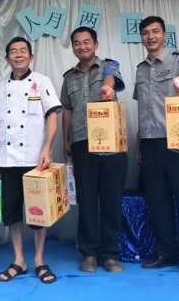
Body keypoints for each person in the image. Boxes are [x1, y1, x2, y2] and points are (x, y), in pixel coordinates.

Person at [133, 16, 179, 281]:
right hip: (150, 141)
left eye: (155, 31)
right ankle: (166, 253)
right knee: (158, 200)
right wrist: (139, 141)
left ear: (164, 35)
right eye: (145, 33)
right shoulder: (140, 69)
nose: (150, 36)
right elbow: (144, 108)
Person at [0, 37, 62, 284]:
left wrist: (47, 148)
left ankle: (39, 260)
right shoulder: (0, 87)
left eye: (23, 51)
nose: (18, 55)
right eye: (13, 51)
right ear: (7, 58)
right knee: (11, 212)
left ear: (31, 56)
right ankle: (19, 260)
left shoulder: (42, 81)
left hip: (34, 158)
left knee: (38, 212)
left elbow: (52, 116)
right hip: (7, 160)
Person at [60, 26, 128, 273]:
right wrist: (66, 140)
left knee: (111, 199)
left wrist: (107, 88)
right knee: (87, 199)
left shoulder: (109, 66)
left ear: (95, 44)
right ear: (73, 47)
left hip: (111, 143)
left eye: (86, 42)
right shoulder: (69, 77)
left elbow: (111, 80)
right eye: (77, 43)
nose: (82, 46)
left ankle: (110, 255)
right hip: (81, 142)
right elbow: (67, 110)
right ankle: (89, 253)